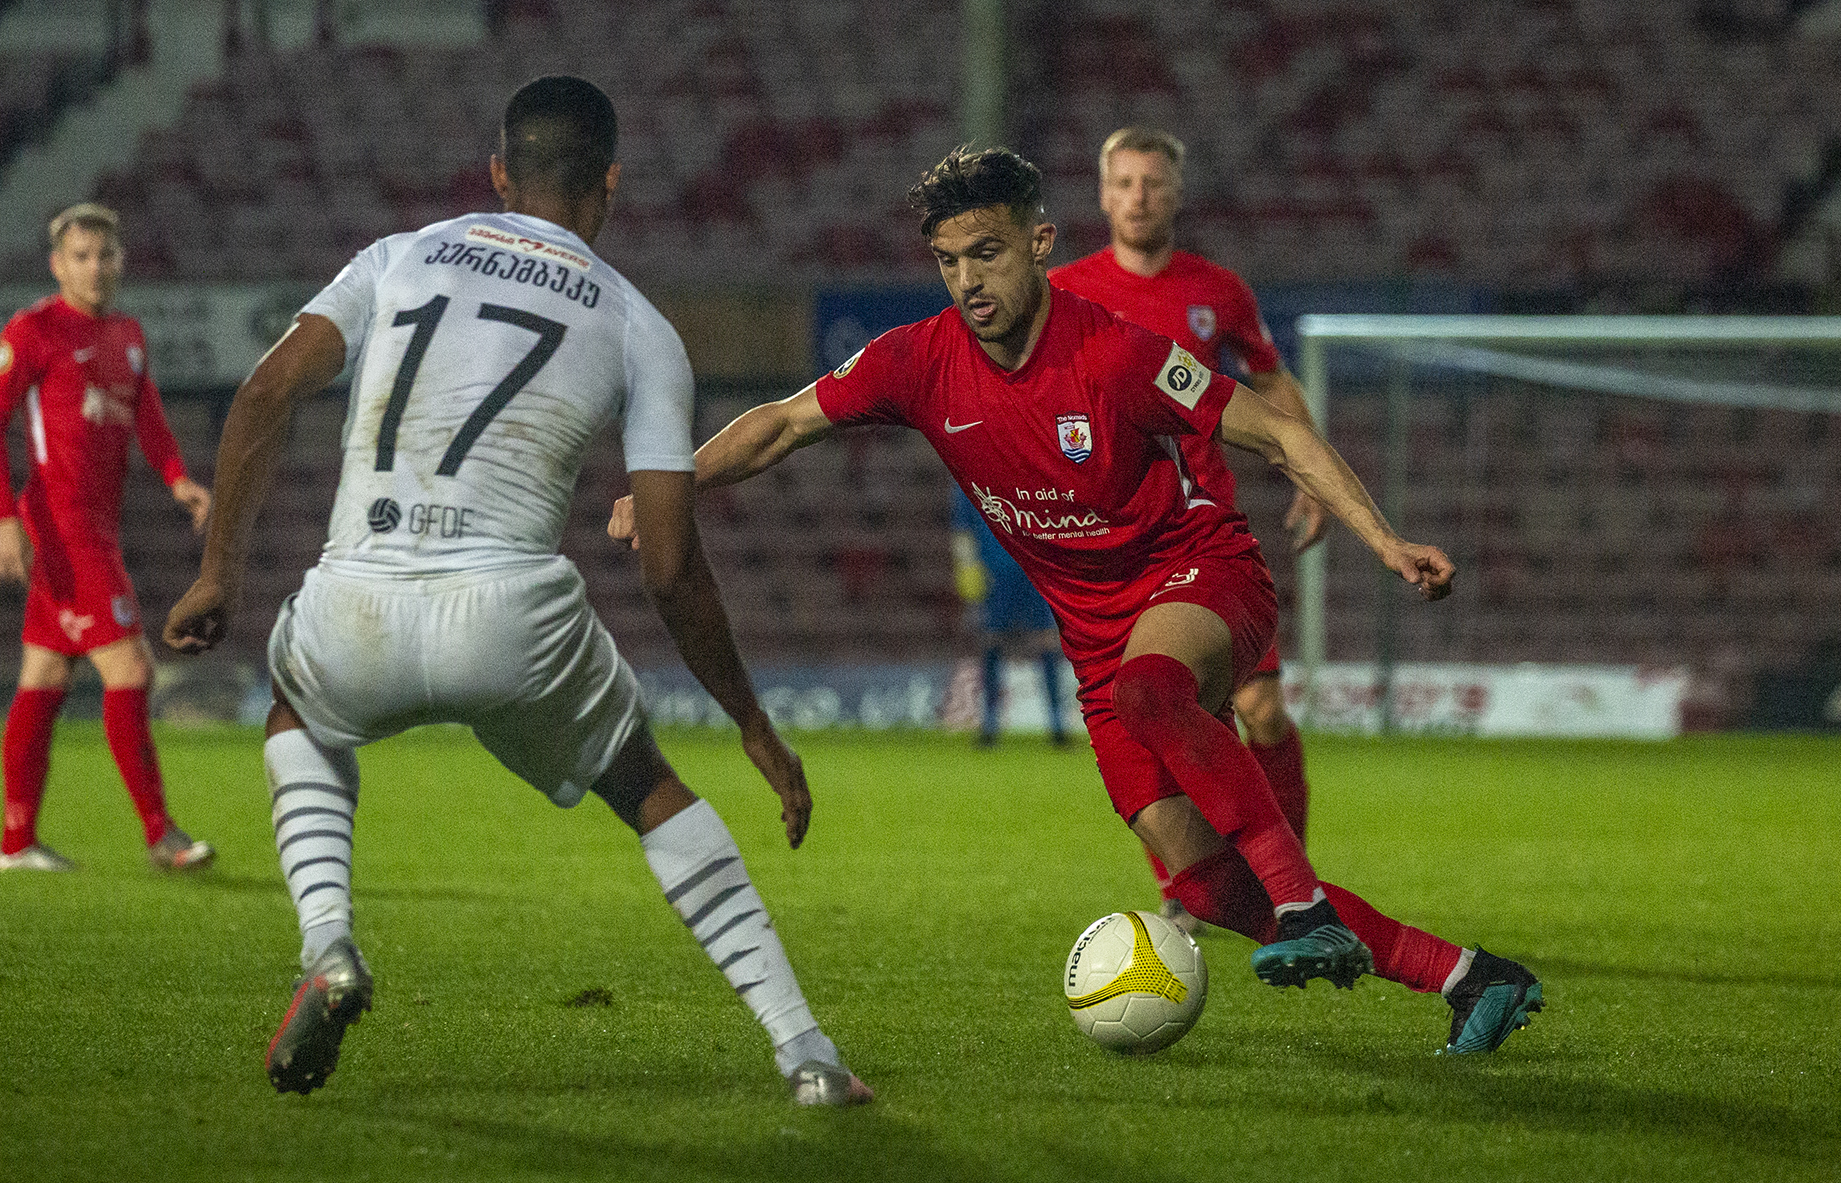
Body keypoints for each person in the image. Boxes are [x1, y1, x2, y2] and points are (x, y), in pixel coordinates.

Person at [610, 147, 1543, 1055]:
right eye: (948, 261)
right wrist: (671, 485)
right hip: (1096, 642)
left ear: (1041, 242)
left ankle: (1302, 903)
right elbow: (781, 425)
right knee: (1206, 884)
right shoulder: (918, 362)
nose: (968, 280)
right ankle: (1469, 976)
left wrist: (1384, 540)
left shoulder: (1118, 353)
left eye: (988, 252)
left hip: (1203, 573)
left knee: (1154, 693)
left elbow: (1278, 433)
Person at [163, 76, 871, 1105]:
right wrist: (752, 721)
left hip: (357, 596)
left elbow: (269, 388)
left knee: (298, 714)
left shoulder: (397, 255)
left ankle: (329, 945)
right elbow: (669, 563)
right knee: (647, 785)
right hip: (510, 617)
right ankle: (805, 1052)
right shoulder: (639, 324)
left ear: (498, 172)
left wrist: (216, 572)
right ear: (611, 186)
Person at [1051, 126, 1318, 928]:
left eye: (1153, 183)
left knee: (1261, 708)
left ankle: (1289, 884)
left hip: (1210, 534)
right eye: (1124, 182)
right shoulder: (1064, 290)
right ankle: (1193, 890)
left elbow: (1273, 381)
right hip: (1117, 543)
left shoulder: (1218, 293)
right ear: (1102, 194)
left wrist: (1310, 474)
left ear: (1176, 193)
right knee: (1157, 716)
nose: (1138, 197)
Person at [0, 201, 215, 874]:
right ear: (58, 264)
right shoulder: (32, 330)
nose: (95, 267)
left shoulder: (127, 335)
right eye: (80, 256)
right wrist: (5, 518)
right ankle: (160, 833)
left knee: (45, 674)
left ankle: (17, 843)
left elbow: (150, 417)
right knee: (131, 668)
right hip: (62, 528)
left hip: (95, 528)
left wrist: (177, 480)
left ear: (120, 260)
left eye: (105, 255)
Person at [951, 483, 1067, 745]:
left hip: (1034, 567)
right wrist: (967, 566)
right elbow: (962, 528)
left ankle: (1058, 722)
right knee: (992, 640)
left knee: (1045, 639)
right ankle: (990, 722)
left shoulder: (1025, 466)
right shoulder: (967, 474)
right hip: (993, 571)